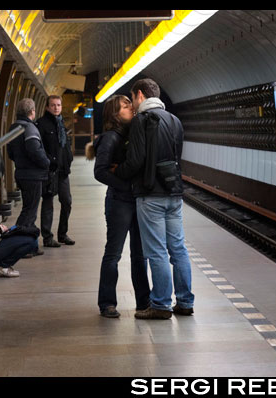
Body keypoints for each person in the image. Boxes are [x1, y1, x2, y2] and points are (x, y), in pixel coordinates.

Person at [113, 78, 195, 320]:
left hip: (151, 196)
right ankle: (185, 301)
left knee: (157, 251)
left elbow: (136, 160)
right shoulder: (175, 120)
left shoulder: (141, 120)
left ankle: (160, 304)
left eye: (133, 98)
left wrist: (119, 171)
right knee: (178, 249)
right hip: (174, 193)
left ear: (140, 95)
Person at [90, 95, 150, 318]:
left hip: (135, 200)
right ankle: (107, 303)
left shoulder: (130, 133)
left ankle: (144, 301)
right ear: (115, 115)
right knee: (113, 254)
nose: (131, 109)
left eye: (130, 104)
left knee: (140, 254)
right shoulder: (110, 138)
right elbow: (100, 171)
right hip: (119, 202)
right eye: (125, 107)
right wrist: (126, 186)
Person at [7, 98, 49, 256]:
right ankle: (19, 245)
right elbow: (34, 149)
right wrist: (46, 163)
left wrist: (20, 161)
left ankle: (30, 245)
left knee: (29, 209)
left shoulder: (13, 127)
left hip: (21, 172)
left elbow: (10, 152)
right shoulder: (30, 127)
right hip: (32, 175)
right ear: (32, 112)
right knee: (29, 211)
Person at [37, 95, 75, 247]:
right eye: (53, 105)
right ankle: (47, 237)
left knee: (67, 201)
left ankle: (62, 234)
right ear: (47, 107)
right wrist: (48, 162)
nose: (56, 108)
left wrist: (69, 159)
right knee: (48, 204)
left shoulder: (61, 124)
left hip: (63, 171)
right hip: (49, 171)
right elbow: (39, 147)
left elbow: (64, 146)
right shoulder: (41, 124)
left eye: (58, 105)